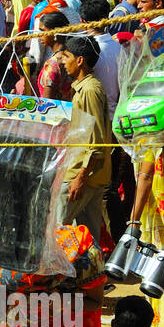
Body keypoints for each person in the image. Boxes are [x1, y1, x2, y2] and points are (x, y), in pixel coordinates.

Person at [55, 33, 112, 239]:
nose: (63, 62)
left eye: (67, 57)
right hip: (91, 174)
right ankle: (93, 272)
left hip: (83, 174)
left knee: (57, 232)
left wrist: (81, 177)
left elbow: (96, 139)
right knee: (89, 239)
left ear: (80, 61)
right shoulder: (86, 88)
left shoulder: (89, 89)